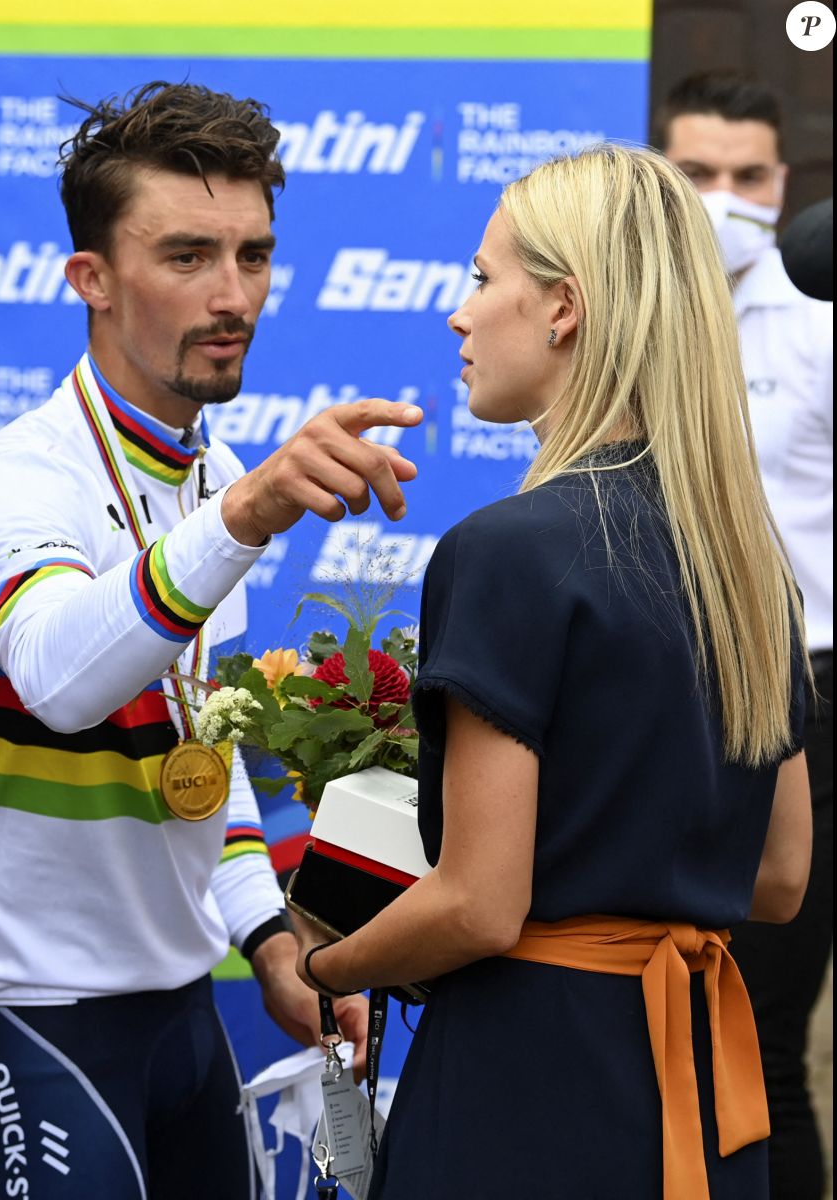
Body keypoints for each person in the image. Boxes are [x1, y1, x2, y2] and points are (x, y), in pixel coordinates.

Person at [0, 80, 425, 1200]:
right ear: (90, 279)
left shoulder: (211, 482)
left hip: (185, 1010)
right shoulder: (13, 480)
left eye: (252, 255)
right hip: (27, 1022)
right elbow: (60, 678)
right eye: (187, 255)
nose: (232, 294)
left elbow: (206, 760)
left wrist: (272, 943)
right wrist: (241, 522)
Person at [288, 144, 813, 1200]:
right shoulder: (746, 559)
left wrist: (327, 965)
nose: (458, 313)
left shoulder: (509, 549)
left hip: (527, 1087)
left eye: (483, 278)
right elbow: (777, 877)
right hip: (701, 1089)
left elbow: (479, 905)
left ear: (563, 308)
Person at [659, 72, 833, 1200]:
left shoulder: (822, 321)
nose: (723, 198)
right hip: (645, 703)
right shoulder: (606, 311)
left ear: (781, 182)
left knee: (758, 1037)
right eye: (695, 175)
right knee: (654, 1030)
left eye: (745, 176)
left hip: (800, 704)